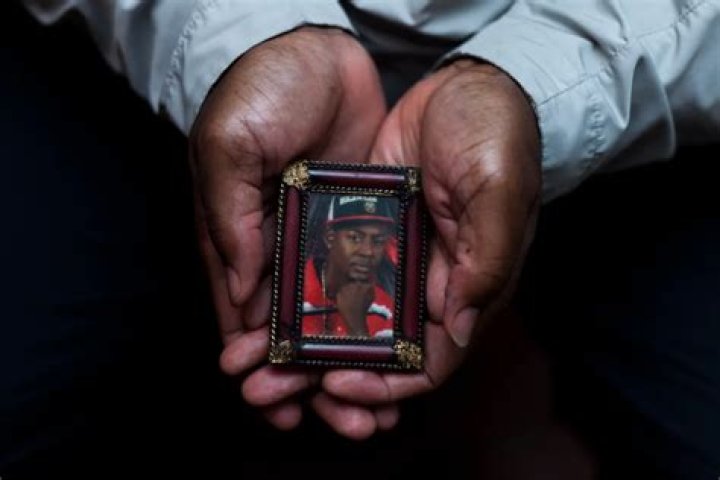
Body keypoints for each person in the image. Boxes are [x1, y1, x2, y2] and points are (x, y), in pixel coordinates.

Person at [12, 0, 720, 477]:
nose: (360, 251)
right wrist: (230, 31)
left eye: (367, 242)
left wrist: (549, 84)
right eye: (350, 240)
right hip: (148, 63)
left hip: (637, 89)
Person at [302, 195, 395, 338]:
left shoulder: (386, 310)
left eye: (377, 241)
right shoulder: (293, 289)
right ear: (329, 238)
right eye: (355, 238)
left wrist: (357, 327)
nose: (368, 252)